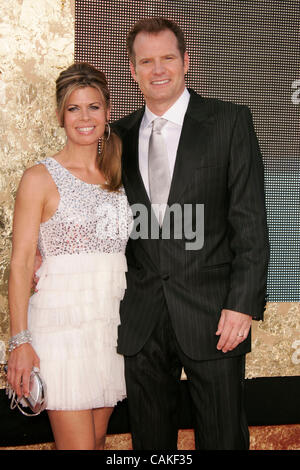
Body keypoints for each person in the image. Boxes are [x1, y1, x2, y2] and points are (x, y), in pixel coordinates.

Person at [112, 17, 269, 450]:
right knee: (150, 448)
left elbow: (250, 223)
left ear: (186, 63)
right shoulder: (116, 136)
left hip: (215, 316)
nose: (157, 69)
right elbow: (101, 218)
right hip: (142, 319)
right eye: (146, 61)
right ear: (133, 70)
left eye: (167, 58)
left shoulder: (228, 121)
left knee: (222, 441)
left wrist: (242, 305)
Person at [7, 63, 131, 450]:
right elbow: (22, 263)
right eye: (74, 108)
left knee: (94, 443)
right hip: (59, 334)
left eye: (94, 107)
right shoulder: (39, 177)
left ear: (108, 112)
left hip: (108, 333)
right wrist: (19, 342)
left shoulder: (121, 175)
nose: (85, 117)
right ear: (60, 113)